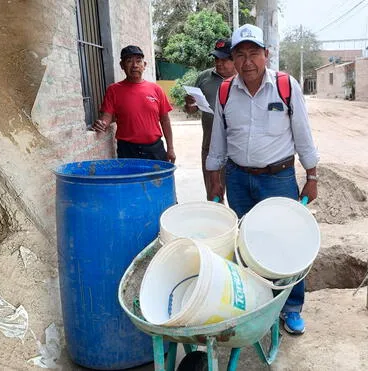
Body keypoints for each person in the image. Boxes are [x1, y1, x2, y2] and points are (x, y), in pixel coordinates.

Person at [206, 24, 319, 335]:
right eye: (240, 55)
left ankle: (292, 307)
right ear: (232, 59)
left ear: (266, 55)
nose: (247, 62)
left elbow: (303, 134)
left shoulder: (286, 86)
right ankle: (256, 304)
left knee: (287, 242)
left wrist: (312, 175)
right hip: (238, 179)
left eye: (253, 53)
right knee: (246, 244)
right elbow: (219, 139)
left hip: (278, 178)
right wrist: (214, 178)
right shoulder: (226, 90)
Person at [92, 45, 175, 162]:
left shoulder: (156, 89)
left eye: (138, 61)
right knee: (130, 181)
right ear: (122, 65)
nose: (134, 65)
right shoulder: (113, 90)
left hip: (155, 150)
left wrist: (170, 148)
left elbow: (165, 120)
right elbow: (107, 115)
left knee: (157, 180)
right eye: (129, 61)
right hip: (127, 150)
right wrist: (102, 123)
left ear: (144, 65)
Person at [184, 39, 236, 199]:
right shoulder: (204, 78)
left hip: (238, 148)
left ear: (235, 59)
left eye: (224, 60)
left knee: (239, 198)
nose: (219, 64)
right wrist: (190, 106)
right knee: (214, 197)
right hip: (211, 147)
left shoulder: (245, 80)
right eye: (216, 59)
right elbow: (191, 109)